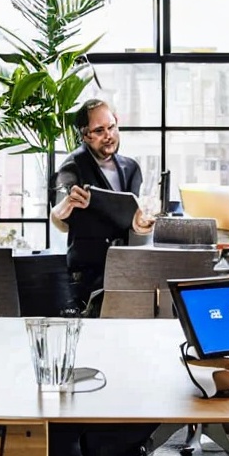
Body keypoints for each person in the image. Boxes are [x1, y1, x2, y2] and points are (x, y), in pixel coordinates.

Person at [51, 99, 155, 313]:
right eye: (99, 130)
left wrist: (145, 219)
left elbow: (134, 214)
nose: (108, 135)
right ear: (85, 135)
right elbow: (60, 211)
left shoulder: (131, 167)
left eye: (111, 127)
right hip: (87, 276)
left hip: (128, 270)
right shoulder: (72, 167)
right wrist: (59, 213)